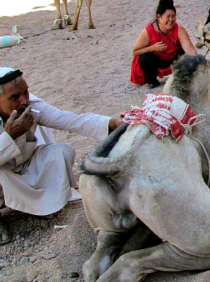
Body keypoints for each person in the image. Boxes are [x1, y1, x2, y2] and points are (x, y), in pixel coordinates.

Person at [0, 67, 122, 245]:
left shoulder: (31, 107)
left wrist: (111, 123)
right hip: (3, 174)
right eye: (14, 97)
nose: (24, 100)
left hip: (23, 166)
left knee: (61, 151)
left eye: (25, 92)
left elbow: (71, 120)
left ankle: (38, 204)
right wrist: (9, 137)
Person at [130, 0, 197, 88]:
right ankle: (152, 81)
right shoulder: (148, 31)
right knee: (145, 58)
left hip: (173, 59)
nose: (171, 20)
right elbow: (135, 51)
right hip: (155, 61)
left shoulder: (179, 29)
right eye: (168, 16)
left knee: (184, 54)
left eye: (173, 16)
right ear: (159, 17)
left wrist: (197, 62)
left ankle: (181, 76)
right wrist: (152, 48)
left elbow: (190, 50)